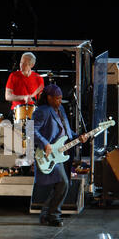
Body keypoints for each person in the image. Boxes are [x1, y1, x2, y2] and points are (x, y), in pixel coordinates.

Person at [32, 84, 88, 227]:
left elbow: (66, 132)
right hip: (49, 153)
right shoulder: (42, 111)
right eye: (57, 98)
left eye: (61, 98)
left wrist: (78, 137)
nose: (59, 101)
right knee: (62, 182)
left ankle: (47, 214)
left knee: (63, 184)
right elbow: (31, 130)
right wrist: (45, 143)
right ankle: (53, 215)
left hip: (61, 152)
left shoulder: (60, 109)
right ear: (49, 98)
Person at [5, 52, 44, 117]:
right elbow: (7, 96)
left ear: (32, 65)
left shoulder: (38, 78)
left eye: (25, 64)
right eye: (21, 62)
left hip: (31, 111)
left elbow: (41, 99)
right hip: (17, 110)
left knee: (30, 127)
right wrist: (23, 97)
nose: (21, 65)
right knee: (18, 127)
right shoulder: (13, 76)